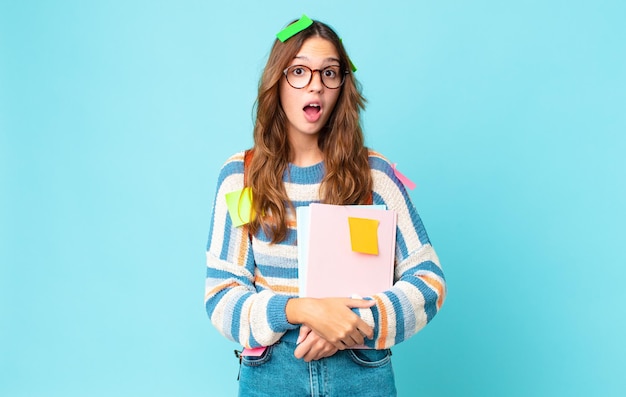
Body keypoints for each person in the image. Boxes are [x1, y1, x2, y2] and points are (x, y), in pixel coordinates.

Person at [205, 15, 446, 397]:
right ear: (277, 82)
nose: (315, 85)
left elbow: (429, 281)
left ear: (342, 86)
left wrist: (349, 324)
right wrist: (301, 310)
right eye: (299, 71)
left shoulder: (375, 176)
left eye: (329, 73)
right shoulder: (242, 177)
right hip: (272, 375)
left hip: (361, 371)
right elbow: (222, 295)